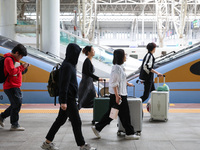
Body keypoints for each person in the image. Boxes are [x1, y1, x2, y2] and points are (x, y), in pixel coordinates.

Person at [41, 43, 96, 150]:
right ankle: (82, 145)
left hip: (69, 98)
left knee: (60, 121)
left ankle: (47, 143)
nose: (77, 55)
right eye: (76, 53)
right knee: (76, 122)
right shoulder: (67, 66)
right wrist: (63, 101)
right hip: (68, 99)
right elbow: (64, 85)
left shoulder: (69, 65)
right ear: (72, 53)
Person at [91, 49, 140, 140]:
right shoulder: (117, 68)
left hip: (119, 95)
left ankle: (98, 128)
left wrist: (127, 83)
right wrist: (117, 96)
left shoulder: (119, 67)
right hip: (119, 96)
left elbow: (120, 80)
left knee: (113, 115)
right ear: (121, 57)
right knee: (123, 114)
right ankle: (129, 133)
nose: (126, 56)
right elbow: (113, 83)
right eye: (125, 55)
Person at [0, 44, 29, 131]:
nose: (21, 58)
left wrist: (23, 68)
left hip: (14, 85)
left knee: (15, 104)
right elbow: (12, 71)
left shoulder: (14, 60)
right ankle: (14, 124)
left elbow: (16, 72)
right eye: (21, 56)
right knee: (17, 104)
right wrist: (22, 67)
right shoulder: (8, 59)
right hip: (11, 86)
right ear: (17, 53)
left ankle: (1, 117)